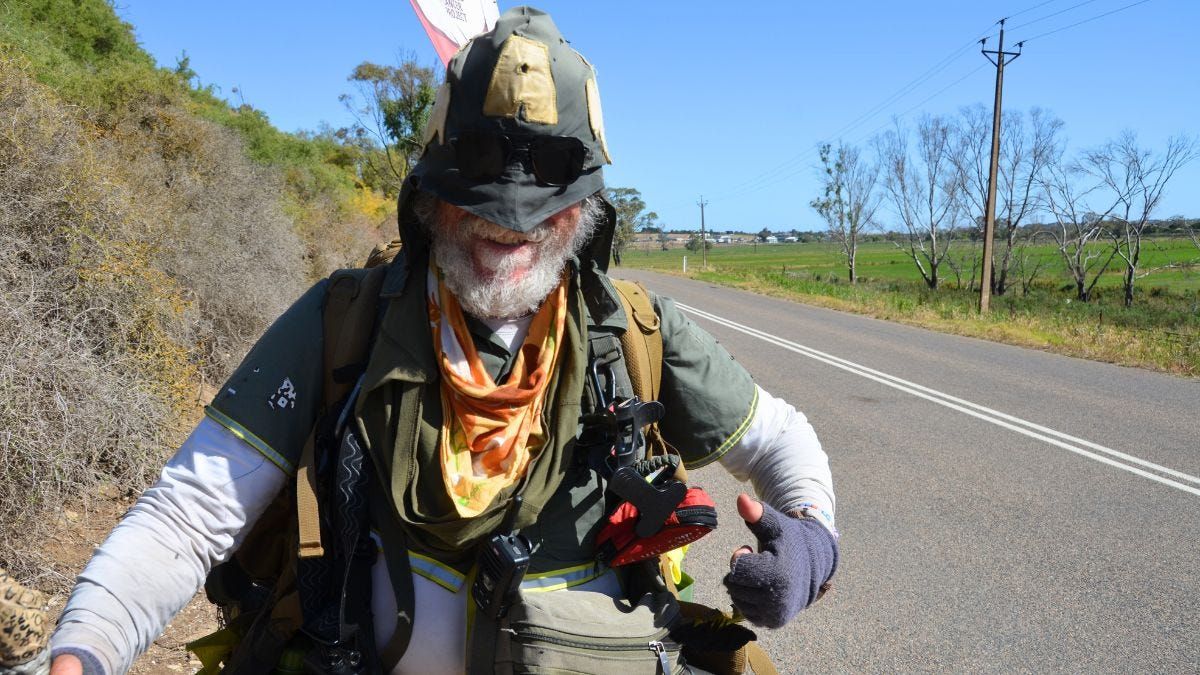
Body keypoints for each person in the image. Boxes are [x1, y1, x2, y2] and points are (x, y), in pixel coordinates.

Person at [49, 7, 838, 674]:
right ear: (430, 190)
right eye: (480, 178)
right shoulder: (345, 324)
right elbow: (187, 514)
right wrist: (83, 649)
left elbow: (781, 440)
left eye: (547, 187)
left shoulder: (631, 333)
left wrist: (809, 542)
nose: (512, 222)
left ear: (586, 207)